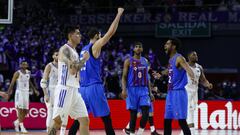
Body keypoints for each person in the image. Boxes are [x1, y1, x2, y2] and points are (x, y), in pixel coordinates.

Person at [68, 7, 124, 135]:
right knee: (107, 118)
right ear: (96, 36)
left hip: (82, 89)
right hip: (94, 87)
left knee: (79, 119)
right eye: (100, 35)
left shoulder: (82, 49)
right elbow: (110, 33)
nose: (101, 37)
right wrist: (119, 14)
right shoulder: (95, 46)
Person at [48, 26, 90, 135]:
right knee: (57, 121)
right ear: (70, 35)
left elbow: (75, 71)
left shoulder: (74, 51)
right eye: (77, 34)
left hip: (75, 90)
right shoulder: (65, 49)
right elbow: (72, 70)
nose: (80, 36)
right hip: (65, 89)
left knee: (84, 120)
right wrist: (84, 59)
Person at [154, 38, 194, 135]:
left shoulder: (179, 58)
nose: (165, 46)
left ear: (174, 46)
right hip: (170, 93)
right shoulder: (171, 60)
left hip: (179, 93)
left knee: (181, 121)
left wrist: (192, 77)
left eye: (168, 44)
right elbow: (169, 70)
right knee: (167, 120)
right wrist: (161, 74)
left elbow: (189, 70)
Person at [121, 42, 153, 135]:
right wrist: (124, 89)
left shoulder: (145, 61)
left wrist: (150, 93)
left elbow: (147, 78)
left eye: (140, 47)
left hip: (143, 89)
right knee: (133, 115)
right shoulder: (128, 61)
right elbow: (124, 76)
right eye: (136, 47)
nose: (138, 48)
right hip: (132, 90)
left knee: (146, 113)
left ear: (142, 49)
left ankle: (139, 132)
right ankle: (131, 133)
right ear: (133, 49)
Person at [0, 61, 39, 133]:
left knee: (26, 111)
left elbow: (29, 81)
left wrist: (34, 90)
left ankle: (16, 122)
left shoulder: (28, 72)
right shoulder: (17, 73)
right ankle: (22, 126)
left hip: (26, 92)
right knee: (20, 110)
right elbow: (12, 83)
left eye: (25, 64)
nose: (24, 65)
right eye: (23, 64)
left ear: (27, 65)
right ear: (20, 65)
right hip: (19, 92)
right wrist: (8, 93)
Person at [183, 51, 213, 134]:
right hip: (186, 92)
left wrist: (208, 84)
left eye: (196, 54)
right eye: (194, 55)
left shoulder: (199, 67)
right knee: (189, 113)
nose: (196, 56)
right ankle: (191, 132)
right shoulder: (184, 66)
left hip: (194, 93)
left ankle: (186, 131)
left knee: (191, 112)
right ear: (189, 57)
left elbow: (203, 80)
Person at [40, 50, 60, 132]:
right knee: (50, 111)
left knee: (58, 113)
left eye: (60, 55)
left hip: (59, 90)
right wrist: (46, 94)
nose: (58, 56)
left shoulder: (63, 66)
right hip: (50, 90)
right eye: (56, 54)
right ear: (53, 56)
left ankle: (54, 131)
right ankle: (48, 130)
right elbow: (43, 81)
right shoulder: (49, 66)